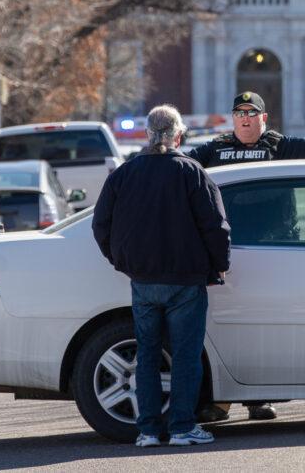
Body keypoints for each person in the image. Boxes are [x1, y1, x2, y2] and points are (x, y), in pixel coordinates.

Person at [187, 92, 305, 422]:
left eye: (251, 113)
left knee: (264, 325)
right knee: (226, 326)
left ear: (263, 118)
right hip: (230, 250)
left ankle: (259, 398)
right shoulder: (215, 148)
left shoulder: (276, 145)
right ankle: (220, 400)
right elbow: (183, 166)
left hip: (273, 248)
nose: (244, 118)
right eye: (239, 112)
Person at [92, 105, 230, 448]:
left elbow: (101, 225)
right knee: (185, 355)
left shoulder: (124, 175)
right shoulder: (192, 172)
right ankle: (183, 427)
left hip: (143, 281)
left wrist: (120, 261)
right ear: (178, 136)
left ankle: (149, 430)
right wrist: (219, 264)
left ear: (147, 135)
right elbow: (215, 226)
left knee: (148, 356)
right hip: (186, 281)